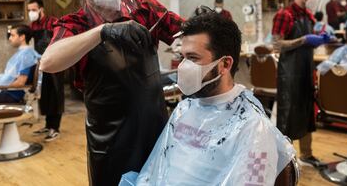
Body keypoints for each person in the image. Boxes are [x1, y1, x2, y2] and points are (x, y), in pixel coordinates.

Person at [40, 0, 183, 186]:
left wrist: (203, 28)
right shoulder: (75, 25)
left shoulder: (143, 8)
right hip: (110, 142)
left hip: (156, 131)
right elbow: (49, 61)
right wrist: (103, 31)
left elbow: (184, 33)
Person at [121, 12, 295, 185]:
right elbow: (155, 171)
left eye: (193, 58)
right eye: (183, 57)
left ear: (225, 64)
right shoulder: (183, 110)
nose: (183, 67)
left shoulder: (255, 129)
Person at [272, 0, 331, 168]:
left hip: (305, 69)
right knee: (288, 115)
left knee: (307, 113)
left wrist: (320, 38)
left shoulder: (308, 15)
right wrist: (304, 40)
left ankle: (307, 154)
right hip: (289, 73)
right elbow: (277, 44)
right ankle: (284, 160)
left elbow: (310, 40)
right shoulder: (285, 15)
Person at [27, 0, 65, 142]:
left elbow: (60, 40)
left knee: (55, 94)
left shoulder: (53, 22)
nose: (31, 13)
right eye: (29, 10)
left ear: (41, 9)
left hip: (56, 62)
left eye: (33, 10)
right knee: (45, 95)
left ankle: (55, 128)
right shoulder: (33, 25)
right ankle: (48, 125)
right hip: (42, 63)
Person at [0, 25, 40, 108]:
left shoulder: (26, 55)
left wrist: (0, 86)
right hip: (8, 92)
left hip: (11, 94)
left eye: (12, 35)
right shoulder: (24, 53)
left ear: (22, 37)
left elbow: (20, 82)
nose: (10, 38)